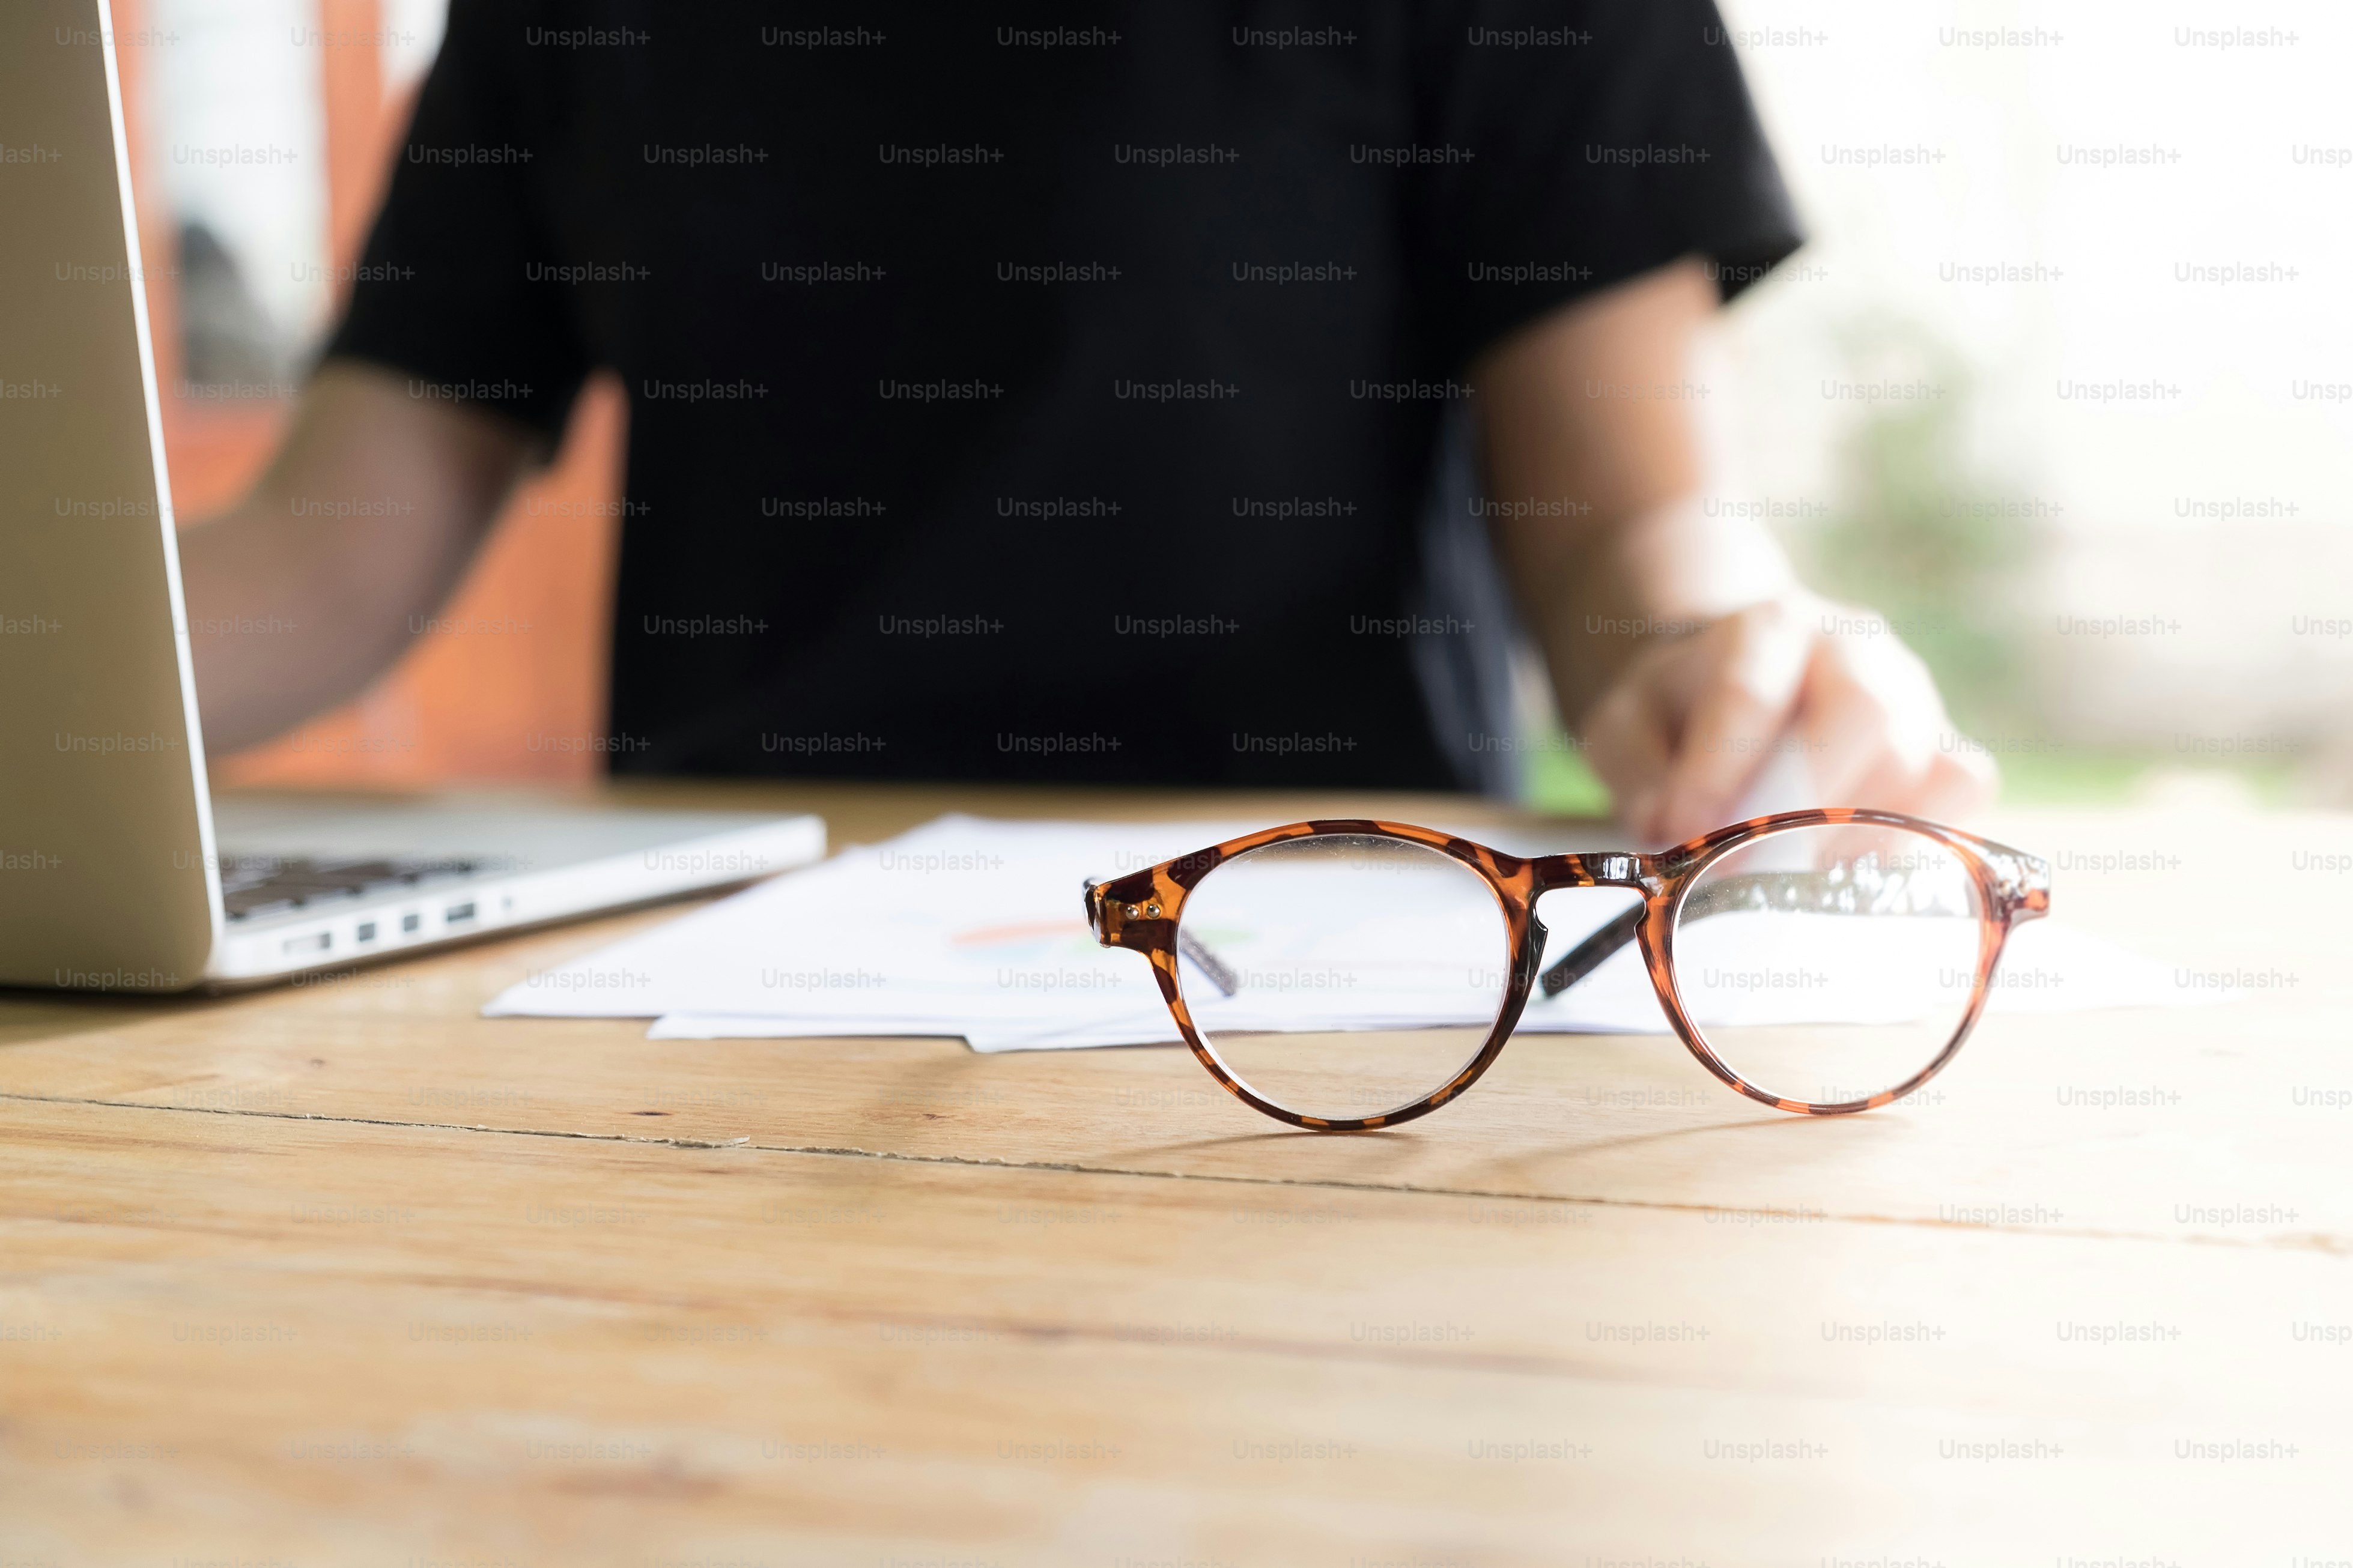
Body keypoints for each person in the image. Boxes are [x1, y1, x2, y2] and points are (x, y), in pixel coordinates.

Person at [180, 0, 1993, 846]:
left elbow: (1635, 527)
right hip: (715, 970)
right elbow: (328, 550)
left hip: (1319, 963)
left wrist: (1717, 655)